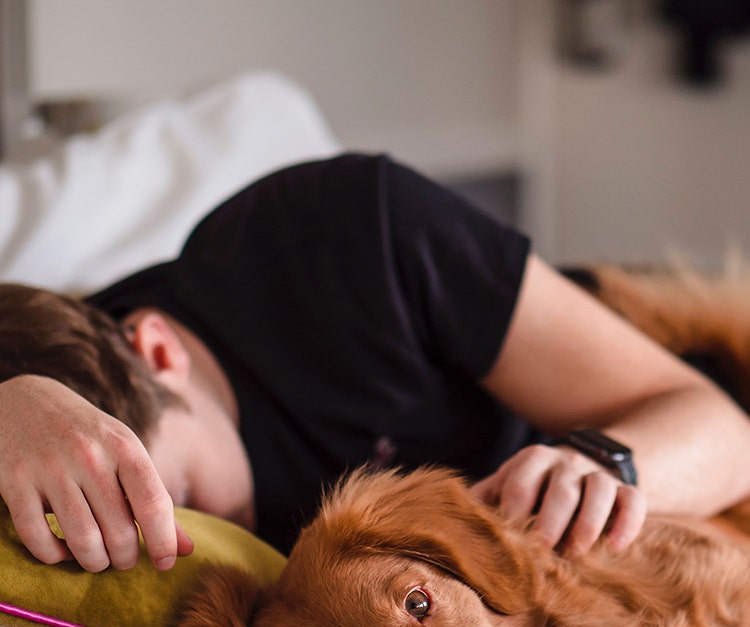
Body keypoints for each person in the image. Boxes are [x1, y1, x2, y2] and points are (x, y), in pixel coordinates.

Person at [2, 152, 750, 574]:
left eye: (184, 492)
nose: (188, 545)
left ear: (160, 351)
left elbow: (720, 428)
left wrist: (603, 464)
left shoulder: (352, 234)